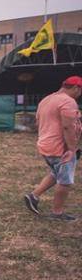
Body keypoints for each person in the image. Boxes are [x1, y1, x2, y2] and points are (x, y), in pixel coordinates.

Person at [24, 75, 82, 221]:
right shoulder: (68, 102)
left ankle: (33, 196)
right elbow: (68, 126)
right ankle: (58, 213)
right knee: (65, 180)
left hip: (46, 144)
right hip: (59, 148)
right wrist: (72, 149)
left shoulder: (47, 99)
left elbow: (38, 122)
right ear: (76, 88)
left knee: (55, 173)